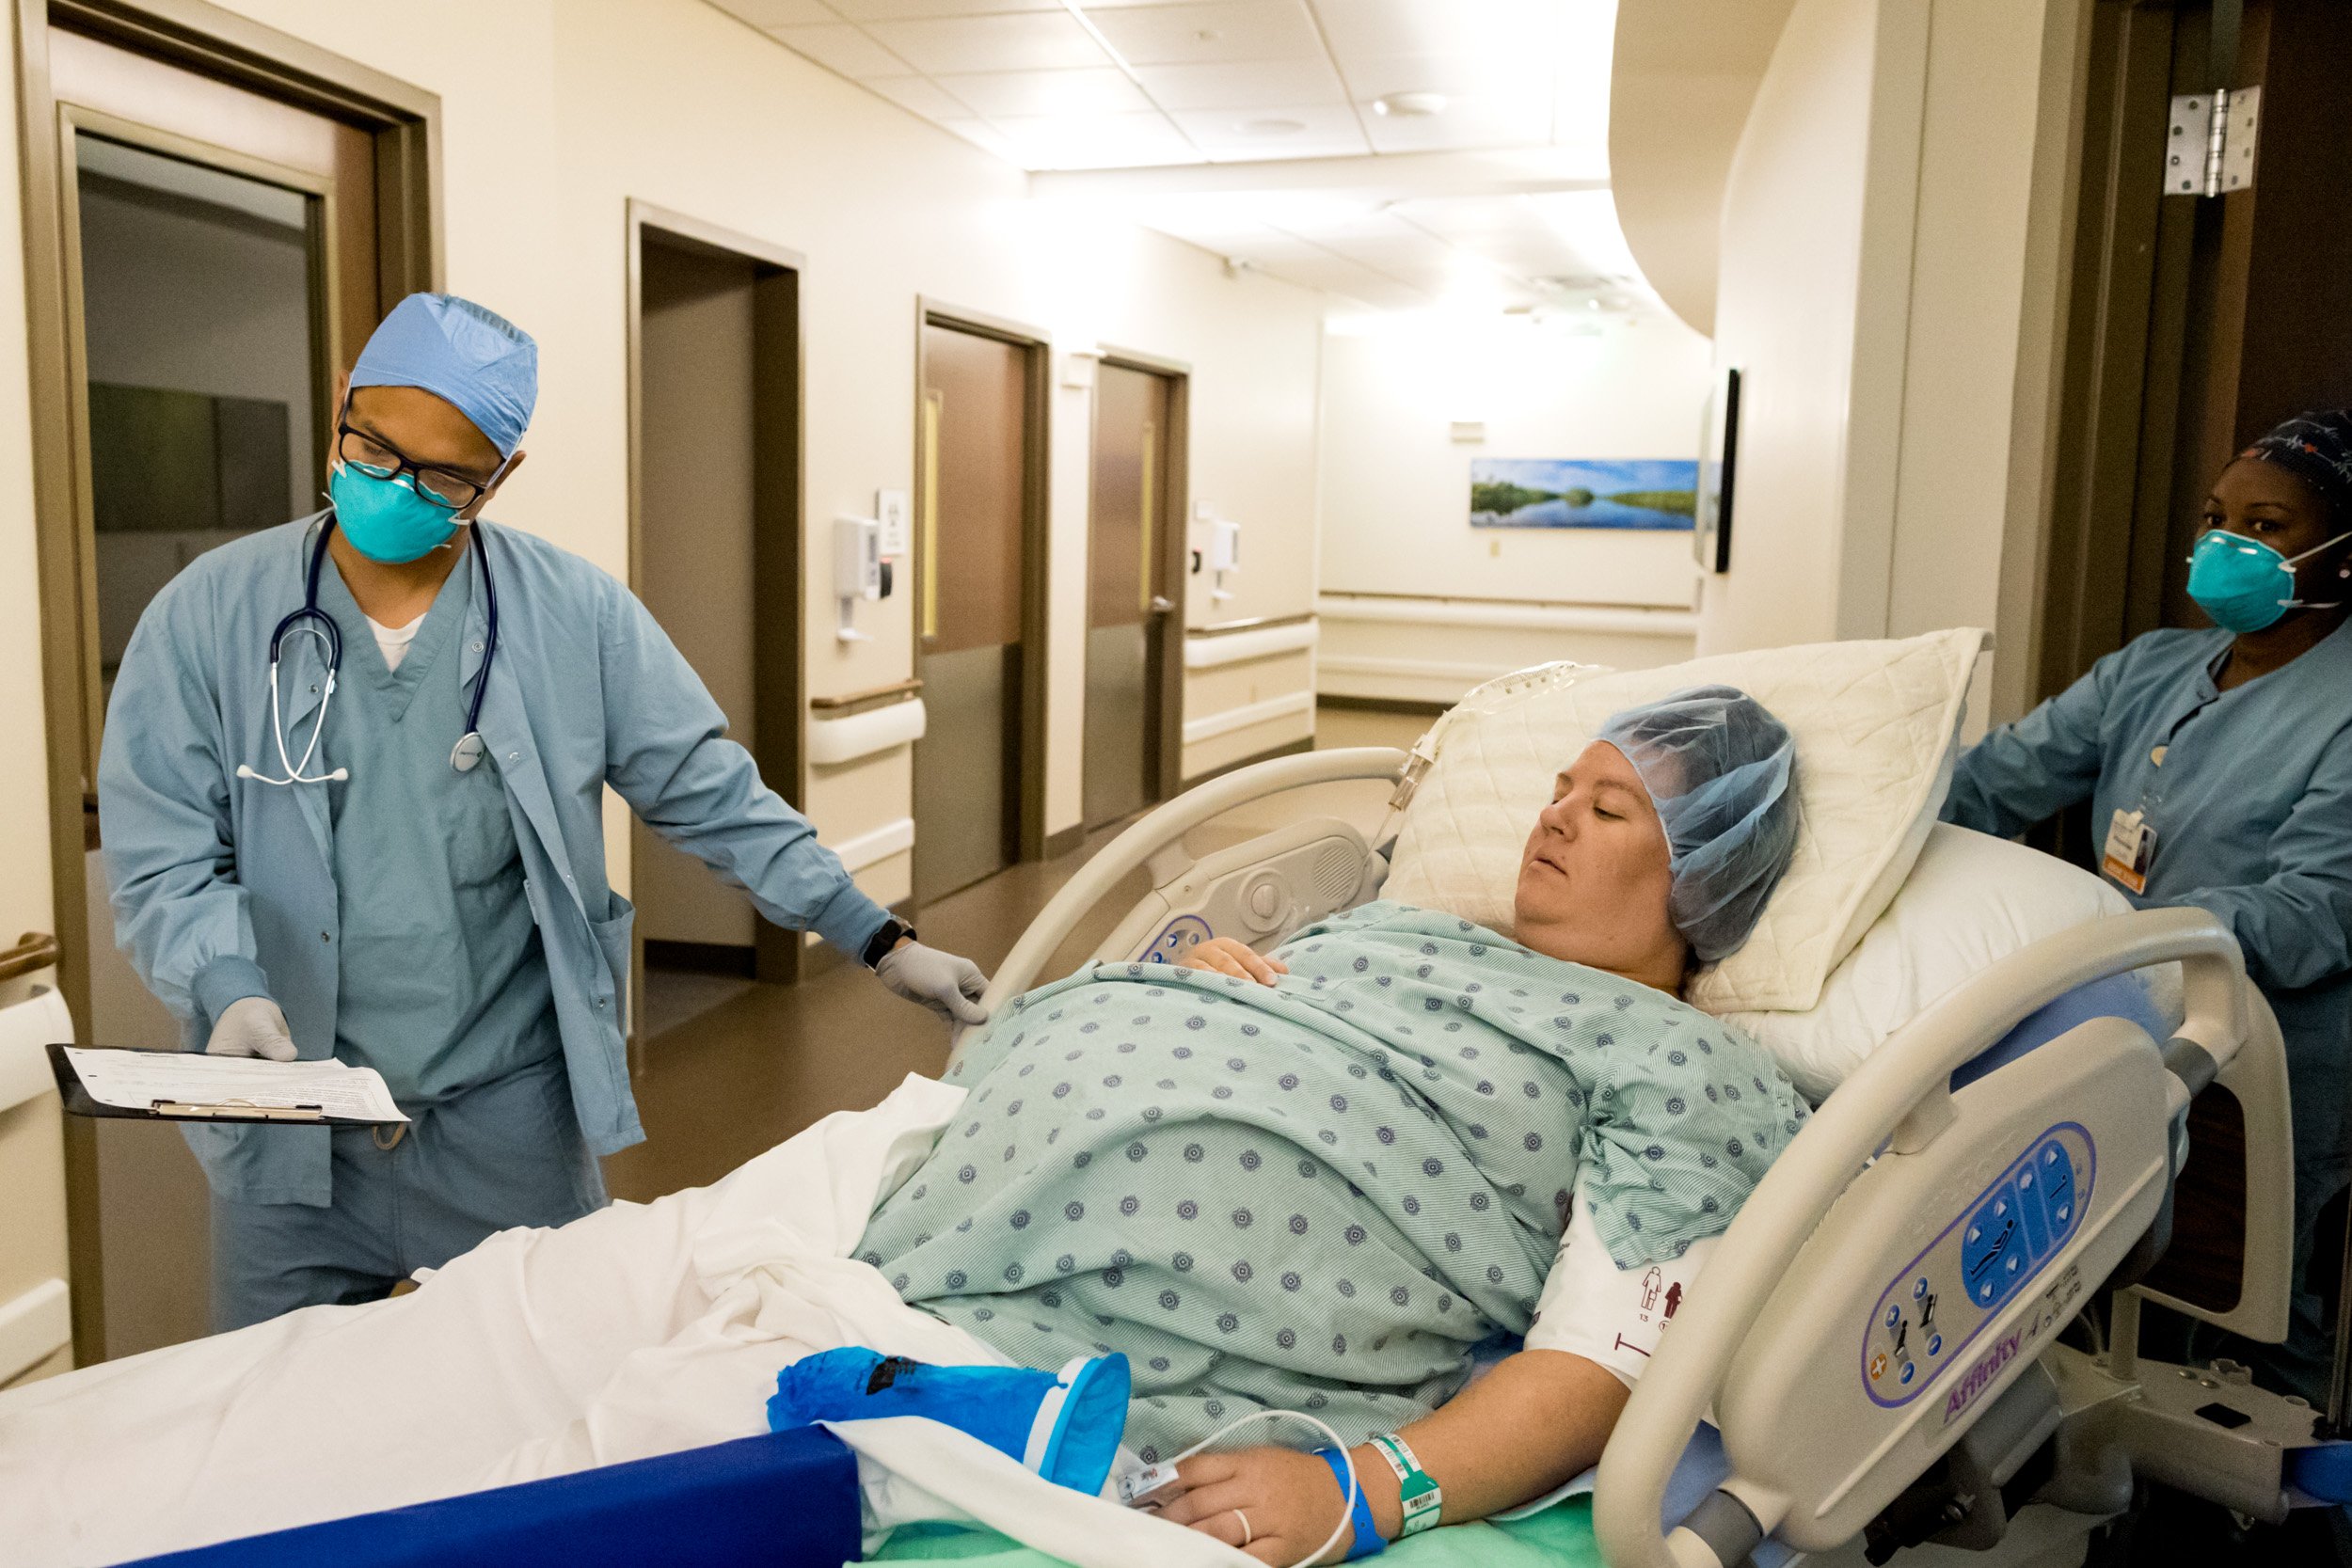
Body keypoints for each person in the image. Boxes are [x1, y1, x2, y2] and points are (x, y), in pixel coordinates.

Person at [99, 292, 992, 1331]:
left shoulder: (574, 614)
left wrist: (873, 934)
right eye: (373, 446)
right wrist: (226, 982)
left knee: (547, 1393)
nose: (394, 485)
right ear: (341, 403)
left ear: (499, 478)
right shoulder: (209, 614)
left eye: (442, 477)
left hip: (505, 1114)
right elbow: (162, 855)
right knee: (269, 1422)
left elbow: (709, 790)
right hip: (291, 1116)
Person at [857, 686, 1805, 1562]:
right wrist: (1207, 989)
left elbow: (1600, 1364)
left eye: (1606, 809)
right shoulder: (1400, 926)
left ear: (1701, 877)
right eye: (1558, 789)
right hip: (949, 1171)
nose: (1552, 814)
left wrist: (1357, 1489)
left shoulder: (1678, 1063)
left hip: (1127, 1283)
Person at [1940, 408, 2352, 1400]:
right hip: (2118, 1026)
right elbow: (1994, 780)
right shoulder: (2149, 669)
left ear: (2339, 555)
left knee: (2246, 1332)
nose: (2226, 545)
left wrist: (2115, 935)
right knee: (2106, 1300)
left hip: (2268, 1062)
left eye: (2266, 525)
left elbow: (2309, 913)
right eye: (2215, 518)